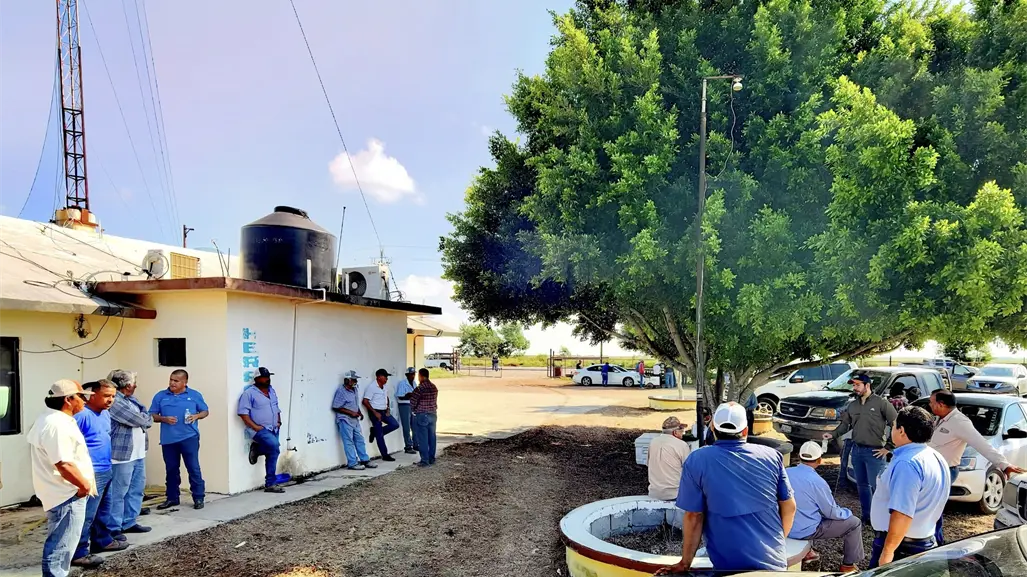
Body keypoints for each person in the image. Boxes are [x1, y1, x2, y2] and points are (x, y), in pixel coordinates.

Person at [657, 402, 796, 574]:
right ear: (745, 431)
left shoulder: (698, 460)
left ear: (713, 429)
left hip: (728, 567)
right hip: (774, 565)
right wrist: (777, 542)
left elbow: (694, 515)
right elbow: (789, 507)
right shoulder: (772, 456)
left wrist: (685, 563)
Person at [927, 390, 1024, 544]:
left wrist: (1004, 465)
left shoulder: (960, 422)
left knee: (933, 509)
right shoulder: (940, 419)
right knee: (930, 508)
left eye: (932, 402)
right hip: (931, 469)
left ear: (941, 404)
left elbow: (982, 444)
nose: (930, 405)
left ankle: (935, 543)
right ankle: (933, 541)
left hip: (945, 470)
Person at [27, 380, 97, 577]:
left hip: (61, 491)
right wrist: (83, 486)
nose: (84, 401)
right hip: (66, 493)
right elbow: (64, 464)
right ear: (68, 399)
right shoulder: (57, 425)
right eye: (81, 397)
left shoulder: (51, 419)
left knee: (62, 544)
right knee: (61, 547)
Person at [868, 406, 951, 567]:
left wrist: (888, 552)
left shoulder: (907, 463)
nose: (891, 430)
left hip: (902, 547)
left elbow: (902, 512)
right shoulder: (935, 456)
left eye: (893, 426)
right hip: (924, 538)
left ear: (902, 431)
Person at [827, 373, 898, 523]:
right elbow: (845, 425)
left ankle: (883, 519)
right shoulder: (853, 405)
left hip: (875, 452)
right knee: (862, 486)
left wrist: (889, 447)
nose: (855, 388)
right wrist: (832, 435)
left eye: (858, 385)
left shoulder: (882, 403)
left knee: (877, 488)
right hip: (857, 450)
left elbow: (896, 424)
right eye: (853, 385)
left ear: (867, 385)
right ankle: (867, 517)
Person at [73, 380, 127, 566]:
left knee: (104, 510)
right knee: (87, 514)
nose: (110, 400)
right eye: (106, 396)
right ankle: (79, 552)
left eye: (113, 396)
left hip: (106, 468)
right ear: (92, 395)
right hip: (90, 471)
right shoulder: (81, 415)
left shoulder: (105, 414)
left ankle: (102, 541)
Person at [787, 441, 864, 572]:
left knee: (808, 511)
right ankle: (848, 566)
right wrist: (846, 512)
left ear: (799, 457)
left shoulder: (785, 472)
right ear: (819, 460)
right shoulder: (818, 482)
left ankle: (808, 551)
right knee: (854, 523)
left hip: (783, 526)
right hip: (803, 531)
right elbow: (831, 513)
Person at [149, 369, 208, 510]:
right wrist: (163, 418)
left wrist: (196, 416)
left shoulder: (194, 395)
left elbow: (205, 411)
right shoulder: (161, 396)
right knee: (171, 469)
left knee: (193, 468)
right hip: (169, 440)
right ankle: (172, 498)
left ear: (185, 382)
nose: (172, 383)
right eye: (171, 380)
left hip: (189, 437)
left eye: (176, 381)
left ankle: (198, 497)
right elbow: (151, 415)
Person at [106, 370, 152, 538]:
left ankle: (129, 521)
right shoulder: (115, 401)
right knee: (118, 492)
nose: (135, 386)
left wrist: (146, 417)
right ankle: (113, 527)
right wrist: (145, 418)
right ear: (126, 385)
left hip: (138, 453)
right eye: (133, 383)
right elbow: (141, 420)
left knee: (136, 489)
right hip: (122, 455)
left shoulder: (130, 399)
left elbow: (146, 414)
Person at [238, 367, 285, 494]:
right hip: (260, 429)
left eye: (268, 377)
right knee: (274, 446)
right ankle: (258, 449)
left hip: (274, 427)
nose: (267, 379)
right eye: (264, 377)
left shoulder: (272, 391)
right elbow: (243, 413)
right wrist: (255, 427)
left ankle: (270, 484)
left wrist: (279, 421)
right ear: (257, 379)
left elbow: (276, 407)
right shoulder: (249, 393)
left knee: (273, 452)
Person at [332, 371, 376, 470]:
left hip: (354, 420)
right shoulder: (341, 391)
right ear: (348, 380)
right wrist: (350, 413)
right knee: (349, 442)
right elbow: (336, 407)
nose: (356, 381)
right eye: (354, 379)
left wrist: (359, 412)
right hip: (345, 420)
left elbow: (355, 403)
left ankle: (365, 460)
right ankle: (352, 463)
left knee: (360, 440)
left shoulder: (354, 389)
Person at [647, 416, 691, 501]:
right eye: (681, 431)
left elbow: (649, 464)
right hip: (675, 493)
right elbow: (689, 471)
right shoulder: (682, 445)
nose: (683, 433)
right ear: (675, 432)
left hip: (654, 492)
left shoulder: (653, 442)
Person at [363, 368, 401, 461]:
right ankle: (385, 455)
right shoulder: (372, 387)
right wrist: (375, 413)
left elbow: (386, 397)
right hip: (375, 412)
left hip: (384, 411)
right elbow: (365, 401)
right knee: (380, 435)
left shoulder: (384, 387)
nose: (387, 379)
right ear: (379, 377)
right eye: (385, 377)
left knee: (395, 424)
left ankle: (375, 432)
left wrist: (388, 408)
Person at [410, 368, 439, 466]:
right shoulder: (434, 387)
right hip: (433, 414)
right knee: (432, 437)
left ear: (421, 376)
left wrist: (414, 410)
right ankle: (431, 458)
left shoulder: (420, 388)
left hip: (422, 414)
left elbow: (413, 401)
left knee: (423, 439)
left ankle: (424, 460)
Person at [395, 367, 418, 454]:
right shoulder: (402, 383)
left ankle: (416, 444)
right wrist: (408, 395)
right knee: (407, 427)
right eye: (411, 374)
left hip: (412, 405)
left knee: (415, 426)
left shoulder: (414, 383)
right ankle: (408, 446)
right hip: (404, 405)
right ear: (407, 375)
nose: (413, 376)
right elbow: (400, 396)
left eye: (413, 374)